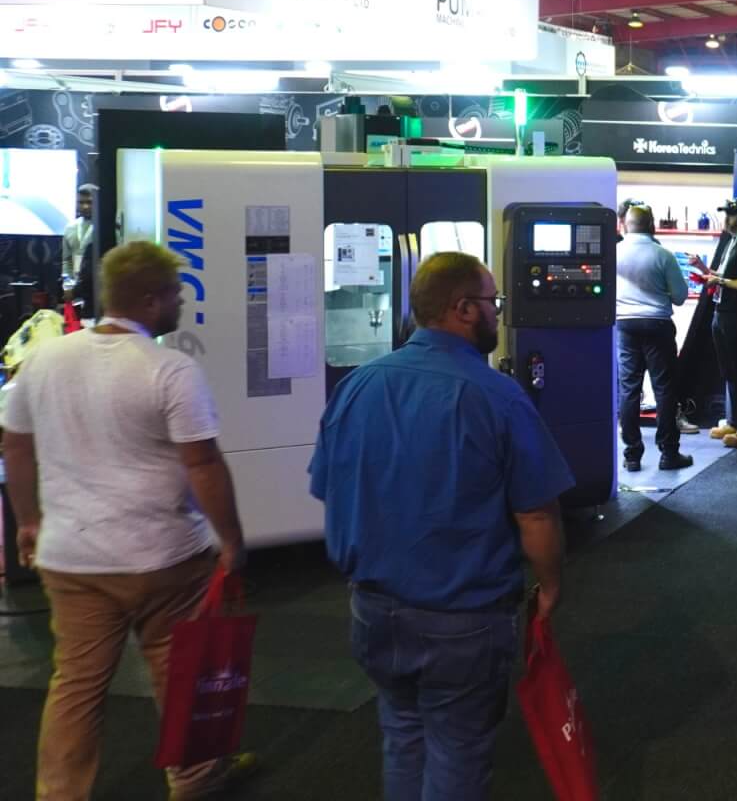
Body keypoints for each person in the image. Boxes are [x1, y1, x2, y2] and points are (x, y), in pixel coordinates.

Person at [311, 251, 573, 801]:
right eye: (493, 302)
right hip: (464, 618)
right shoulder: (497, 395)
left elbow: (328, 487)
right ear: (463, 309)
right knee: (458, 748)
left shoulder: (357, 386)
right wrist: (550, 586)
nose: (497, 312)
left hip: (372, 610)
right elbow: (536, 513)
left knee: (403, 734)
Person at [3, 240, 255, 801]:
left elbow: (15, 446)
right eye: (176, 293)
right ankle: (194, 779)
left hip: (72, 560)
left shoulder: (44, 361)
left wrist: (28, 521)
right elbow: (203, 465)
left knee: (76, 685)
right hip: (164, 559)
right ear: (149, 300)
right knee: (179, 671)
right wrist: (231, 540)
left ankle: (60, 794)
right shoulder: (170, 369)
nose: (182, 301)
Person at [615, 205, 695, 471]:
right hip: (658, 325)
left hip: (625, 325)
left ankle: (632, 455)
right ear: (652, 225)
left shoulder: (614, 253)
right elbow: (680, 296)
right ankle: (669, 454)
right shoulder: (663, 255)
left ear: (624, 225)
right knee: (664, 389)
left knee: (629, 389)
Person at [691, 198, 737, 447]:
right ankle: (735, 421)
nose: (726, 219)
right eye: (725, 214)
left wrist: (720, 282)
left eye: (731, 215)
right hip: (722, 311)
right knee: (730, 370)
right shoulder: (733, 241)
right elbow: (725, 276)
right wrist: (704, 269)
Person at [61, 185, 94, 312]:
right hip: (74, 284)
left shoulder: (104, 227)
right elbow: (66, 260)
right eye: (81, 202)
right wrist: (68, 286)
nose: (85, 206)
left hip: (95, 287)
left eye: (89, 202)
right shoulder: (70, 227)